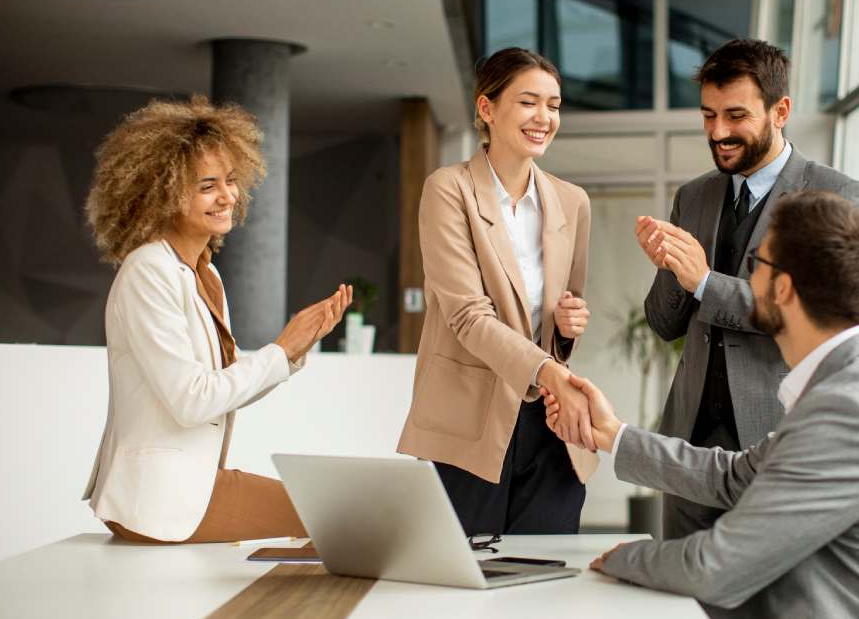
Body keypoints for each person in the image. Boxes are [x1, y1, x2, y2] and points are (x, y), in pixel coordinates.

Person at [544, 190, 859, 619]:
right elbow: (734, 476)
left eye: (758, 264)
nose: (748, 280)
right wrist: (613, 436)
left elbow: (714, 567)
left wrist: (618, 558)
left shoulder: (850, 411)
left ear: (785, 289)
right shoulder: (844, 386)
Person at [82, 96, 352, 544]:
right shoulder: (148, 271)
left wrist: (293, 354)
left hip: (194, 484)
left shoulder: (206, 274)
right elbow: (192, 401)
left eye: (230, 180)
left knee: (337, 516)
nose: (227, 196)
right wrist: (279, 350)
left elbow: (222, 390)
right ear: (163, 193)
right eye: (207, 185)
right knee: (335, 517)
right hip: (159, 500)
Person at [635, 39, 859, 539]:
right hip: (689, 443)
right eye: (708, 115)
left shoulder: (836, 196)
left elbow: (807, 317)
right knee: (681, 597)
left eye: (736, 115)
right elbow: (663, 323)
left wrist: (703, 280)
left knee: (764, 603)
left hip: (779, 439)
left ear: (780, 110)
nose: (718, 132)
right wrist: (673, 272)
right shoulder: (693, 196)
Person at [397, 47, 597, 536]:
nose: (544, 118)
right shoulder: (449, 190)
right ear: (486, 108)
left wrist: (568, 327)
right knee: (465, 581)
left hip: (549, 425)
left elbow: (561, 315)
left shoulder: (572, 202)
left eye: (554, 105)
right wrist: (550, 371)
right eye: (529, 102)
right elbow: (467, 316)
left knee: (546, 581)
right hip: (469, 421)